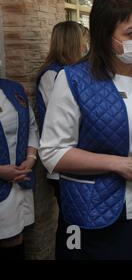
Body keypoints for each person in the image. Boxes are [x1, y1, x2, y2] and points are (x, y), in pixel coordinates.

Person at [39, 0, 132, 260]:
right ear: (105, 36)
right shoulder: (74, 79)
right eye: (131, 33)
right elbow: (53, 152)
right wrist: (119, 164)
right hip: (96, 210)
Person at [36, 21, 88, 189]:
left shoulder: (75, 72)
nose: (85, 47)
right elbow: (62, 117)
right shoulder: (53, 74)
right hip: (63, 161)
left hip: (80, 158)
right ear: (73, 42)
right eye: (83, 41)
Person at [0, 78, 39, 259]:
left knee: (16, 238)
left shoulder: (13, 88)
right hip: (3, 183)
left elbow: (31, 125)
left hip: (20, 182)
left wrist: (31, 158)